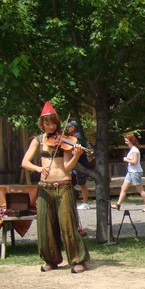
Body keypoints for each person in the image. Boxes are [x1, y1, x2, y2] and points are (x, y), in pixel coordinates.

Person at [20, 102, 90, 273]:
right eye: (47, 123)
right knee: (46, 226)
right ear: (42, 124)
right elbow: (25, 162)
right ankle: (51, 260)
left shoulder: (65, 140)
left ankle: (78, 260)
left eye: (53, 123)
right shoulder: (37, 140)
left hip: (63, 186)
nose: (51, 126)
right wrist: (38, 169)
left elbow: (67, 167)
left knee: (68, 225)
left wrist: (77, 155)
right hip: (45, 188)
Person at [112, 134, 145, 212]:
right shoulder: (131, 149)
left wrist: (126, 159)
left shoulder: (134, 150)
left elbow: (134, 161)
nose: (125, 142)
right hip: (130, 172)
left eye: (127, 140)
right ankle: (118, 205)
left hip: (135, 172)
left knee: (140, 190)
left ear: (131, 141)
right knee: (124, 188)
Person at [67, 120, 91, 210]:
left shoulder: (78, 137)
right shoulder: (74, 137)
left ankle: (85, 203)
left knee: (82, 183)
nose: (68, 128)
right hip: (75, 163)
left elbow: (78, 151)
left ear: (73, 128)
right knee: (71, 182)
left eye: (69, 127)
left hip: (80, 163)